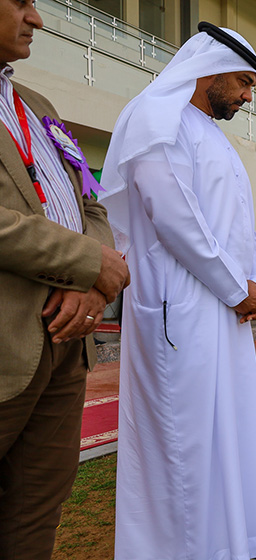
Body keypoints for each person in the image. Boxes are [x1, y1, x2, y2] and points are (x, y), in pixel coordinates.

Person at [99, 23, 256, 559]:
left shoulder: (209, 131)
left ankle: (237, 541)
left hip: (219, 303)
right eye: (243, 82)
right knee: (182, 439)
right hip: (176, 308)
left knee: (226, 427)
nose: (248, 96)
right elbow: (176, 218)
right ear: (209, 67)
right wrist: (237, 289)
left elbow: (231, 225)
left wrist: (254, 285)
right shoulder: (155, 116)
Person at [0, 1, 130, 556]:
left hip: (64, 345)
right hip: (6, 344)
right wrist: (87, 263)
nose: (38, 19)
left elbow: (89, 204)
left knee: (37, 508)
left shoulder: (38, 106)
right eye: (21, 2)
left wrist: (92, 282)